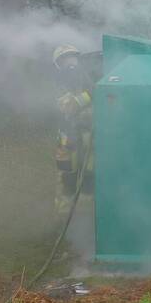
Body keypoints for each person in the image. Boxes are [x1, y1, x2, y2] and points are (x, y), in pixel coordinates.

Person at [53, 44, 95, 216]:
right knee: (67, 179)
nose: (71, 63)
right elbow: (68, 106)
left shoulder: (88, 78)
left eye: (73, 58)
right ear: (58, 65)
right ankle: (63, 220)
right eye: (65, 60)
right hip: (68, 139)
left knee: (90, 178)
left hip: (90, 136)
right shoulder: (58, 84)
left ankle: (84, 220)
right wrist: (90, 94)